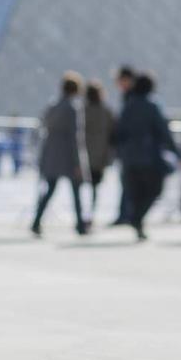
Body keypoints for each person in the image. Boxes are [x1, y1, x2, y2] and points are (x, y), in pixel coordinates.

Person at [113, 72, 178, 240]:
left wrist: (119, 151)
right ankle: (138, 218)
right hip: (149, 157)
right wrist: (176, 151)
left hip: (129, 157)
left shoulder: (128, 105)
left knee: (135, 192)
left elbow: (119, 131)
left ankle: (136, 219)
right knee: (155, 190)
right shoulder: (153, 104)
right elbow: (163, 130)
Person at [31, 72, 89, 237]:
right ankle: (80, 224)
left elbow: (41, 125)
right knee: (76, 191)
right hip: (67, 156)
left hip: (51, 153)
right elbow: (75, 137)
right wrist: (79, 162)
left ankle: (36, 221)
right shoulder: (72, 108)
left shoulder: (53, 105)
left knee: (49, 190)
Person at [84, 80, 115, 221]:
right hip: (100, 156)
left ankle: (82, 214)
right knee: (95, 188)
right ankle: (91, 214)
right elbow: (112, 133)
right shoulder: (106, 111)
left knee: (80, 187)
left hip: (83, 155)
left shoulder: (82, 110)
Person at [110, 65, 136, 226]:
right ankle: (125, 214)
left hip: (131, 148)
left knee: (129, 181)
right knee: (126, 181)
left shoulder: (133, 97)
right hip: (128, 148)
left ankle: (127, 215)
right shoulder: (129, 96)